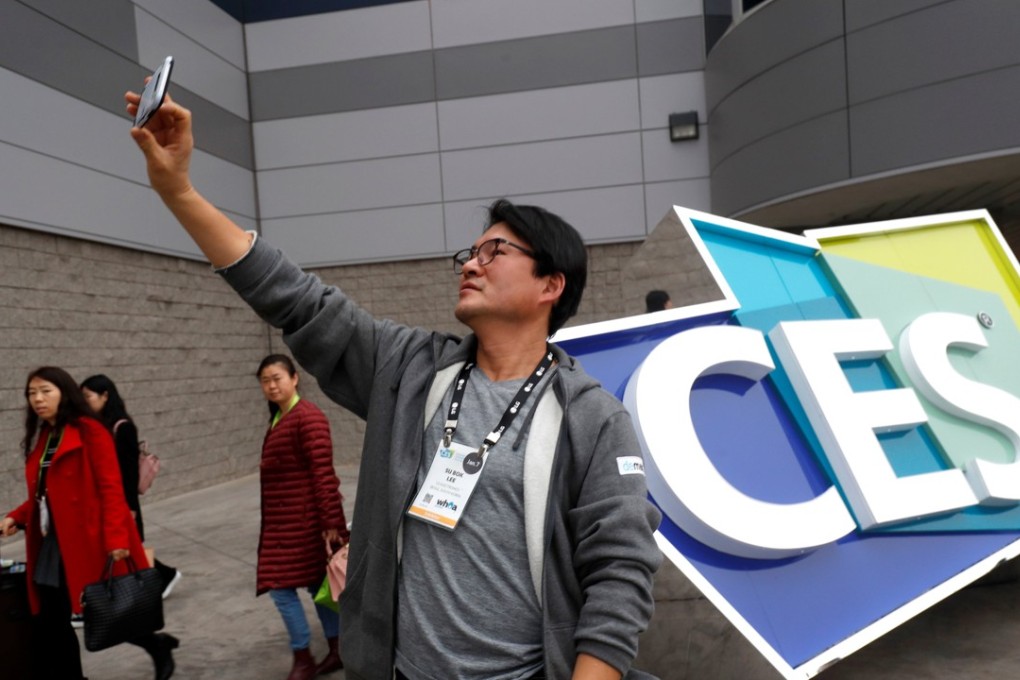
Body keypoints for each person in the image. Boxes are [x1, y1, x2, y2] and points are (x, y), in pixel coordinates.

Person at [127, 90, 662, 680]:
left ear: (550, 285)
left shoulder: (593, 419)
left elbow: (620, 572)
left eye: (495, 252)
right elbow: (296, 299)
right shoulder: (409, 369)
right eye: (470, 251)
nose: (469, 263)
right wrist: (178, 191)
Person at [1, 366, 179, 680]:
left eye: (46, 391)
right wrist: (17, 515)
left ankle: (156, 644)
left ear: (64, 392)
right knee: (48, 617)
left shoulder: (90, 430)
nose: (38, 399)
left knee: (109, 608)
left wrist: (116, 539)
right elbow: (45, 494)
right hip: (51, 541)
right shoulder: (45, 435)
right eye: (32, 393)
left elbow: (110, 487)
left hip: (90, 537)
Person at [255, 354, 349, 680]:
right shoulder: (280, 418)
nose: (271, 385)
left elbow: (323, 474)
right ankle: (337, 650)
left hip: (305, 523)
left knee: (281, 589)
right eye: (265, 380)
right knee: (315, 584)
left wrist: (331, 524)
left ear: (295, 378)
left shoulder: (307, 417)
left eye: (277, 377)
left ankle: (303, 657)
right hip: (286, 524)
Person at [79, 374, 183, 601]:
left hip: (123, 499)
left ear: (105, 396)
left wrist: (126, 507)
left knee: (129, 547)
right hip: (110, 499)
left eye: (87, 396)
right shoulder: (98, 426)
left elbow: (128, 474)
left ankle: (165, 575)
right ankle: (158, 578)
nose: (84, 402)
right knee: (124, 549)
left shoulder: (122, 427)